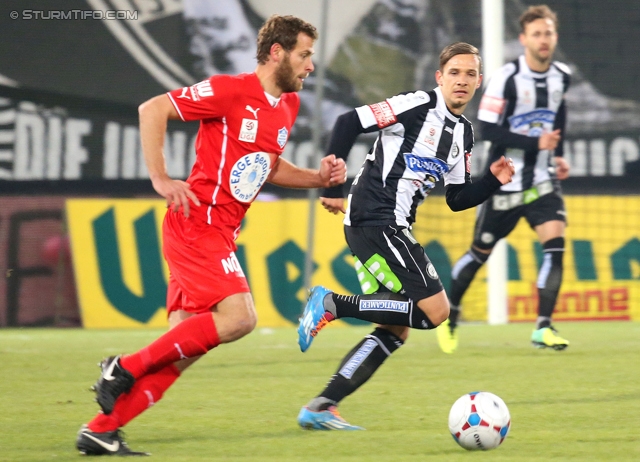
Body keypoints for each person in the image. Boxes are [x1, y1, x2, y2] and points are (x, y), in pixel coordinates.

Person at [75, 15, 347, 455]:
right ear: (276, 53)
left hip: (219, 232)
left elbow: (269, 166)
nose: (310, 66)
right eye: (304, 55)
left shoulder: (287, 107)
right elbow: (153, 109)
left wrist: (318, 179)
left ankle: (99, 430)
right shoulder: (229, 90)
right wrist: (161, 179)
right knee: (241, 317)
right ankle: (121, 368)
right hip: (196, 225)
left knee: (180, 351)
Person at [295, 42, 515, 430]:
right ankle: (333, 303)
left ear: (479, 82)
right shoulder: (415, 104)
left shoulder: (463, 133)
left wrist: (492, 182)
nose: (461, 80)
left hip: (388, 226)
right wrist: (331, 186)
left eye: (469, 74)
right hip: (375, 219)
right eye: (454, 73)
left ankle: (322, 405)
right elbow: (349, 122)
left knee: (396, 330)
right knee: (437, 312)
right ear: (439, 77)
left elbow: (457, 198)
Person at [437, 5, 571, 355]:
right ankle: (451, 314)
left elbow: (559, 113)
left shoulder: (561, 76)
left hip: (542, 181)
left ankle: (543, 326)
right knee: (479, 253)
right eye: (537, 34)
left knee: (556, 246)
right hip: (505, 181)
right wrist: (533, 142)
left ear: (555, 37)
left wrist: (557, 155)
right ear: (524, 39)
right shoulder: (507, 78)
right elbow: (488, 128)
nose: (544, 40)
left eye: (549, 33)